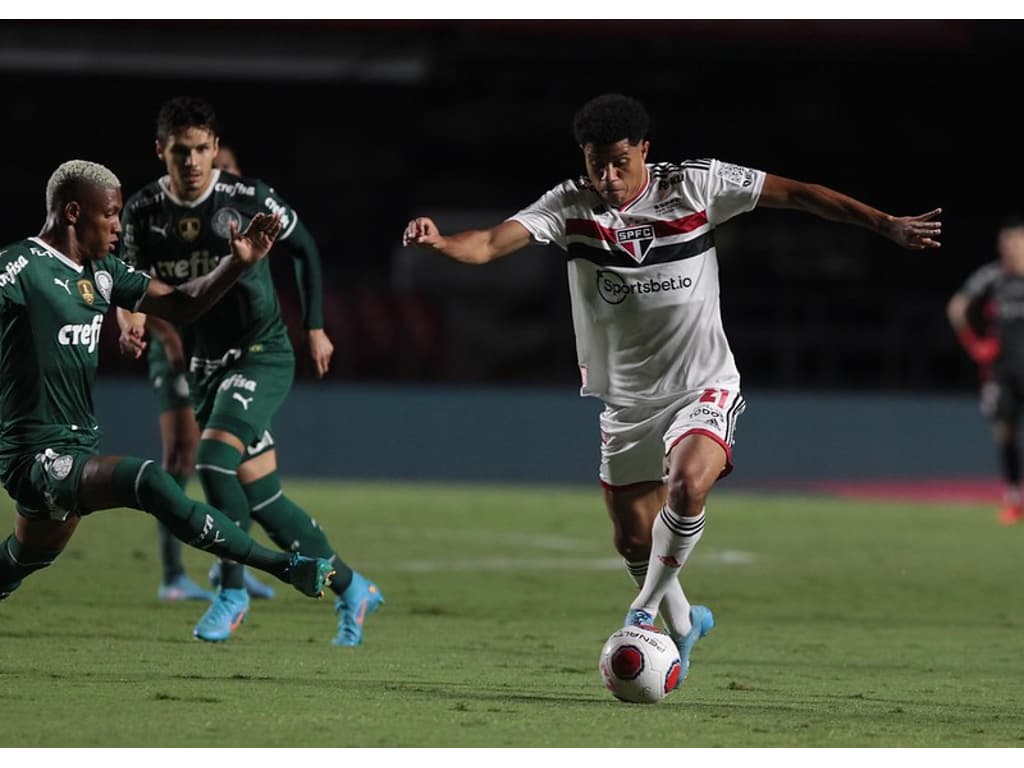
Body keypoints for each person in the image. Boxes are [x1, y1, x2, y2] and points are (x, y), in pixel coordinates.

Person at [403, 93, 942, 683]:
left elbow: (799, 193)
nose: (606, 177)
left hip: (702, 384)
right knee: (632, 538)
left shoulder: (695, 186)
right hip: (627, 402)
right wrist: (442, 242)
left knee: (686, 485)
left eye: (617, 162)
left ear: (643, 150)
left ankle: (642, 614)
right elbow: (487, 243)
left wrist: (883, 223)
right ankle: (687, 624)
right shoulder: (568, 204)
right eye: (594, 163)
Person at [0, 159, 336, 608]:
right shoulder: (19, 266)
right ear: (73, 213)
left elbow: (182, 305)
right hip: (34, 456)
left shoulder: (103, 273)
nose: (119, 226)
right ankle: (285, 566)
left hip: (78, 445)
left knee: (26, 557)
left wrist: (236, 265)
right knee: (150, 480)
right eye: (110, 214)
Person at [118, 96, 383, 645]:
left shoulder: (246, 197)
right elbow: (126, 278)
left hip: (262, 352)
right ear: (160, 151)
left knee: (212, 462)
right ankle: (354, 588)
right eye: (179, 152)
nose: (191, 162)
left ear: (215, 149)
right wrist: (128, 318)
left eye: (200, 150)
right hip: (205, 364)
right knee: (266, 502)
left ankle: (232, 591)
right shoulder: (142, 212)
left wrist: (314, 326)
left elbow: (305, 248)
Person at [117, 140, 275, 603]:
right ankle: (172, 574)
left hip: (216, 352)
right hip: (178, 352)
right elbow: (153, 290)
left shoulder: (229, 225)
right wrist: (166, 341)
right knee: (184, 457)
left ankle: (230, 564)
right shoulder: (157, 220)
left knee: (229, 457)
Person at [947, 215, 1024, 525]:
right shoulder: (992, 276)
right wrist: (974, 345)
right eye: (1006, 243)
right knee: (1005, 433)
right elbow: (956, 307)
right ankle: (1013, 498)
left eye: (1018, 242)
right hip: (1003, 371)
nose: (1012, 248)